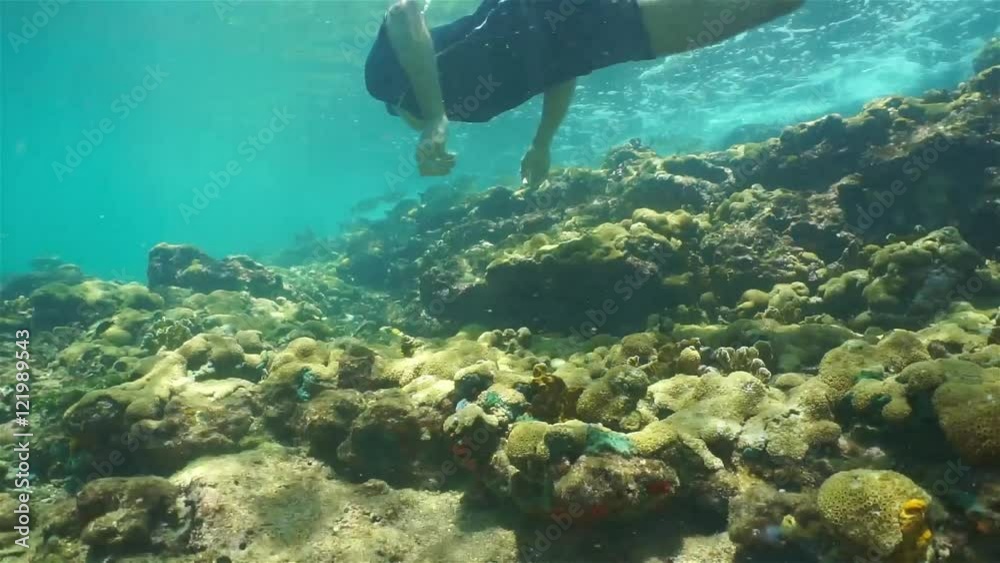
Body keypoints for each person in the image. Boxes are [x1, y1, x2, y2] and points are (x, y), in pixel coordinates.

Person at [365, 0, 804, 186]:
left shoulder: (387, 80)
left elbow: (403, 12)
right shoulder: (471, 109)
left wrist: (436, 115)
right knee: (757, 9)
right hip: (591, 41)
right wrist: (542, 144)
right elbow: (555, 70)